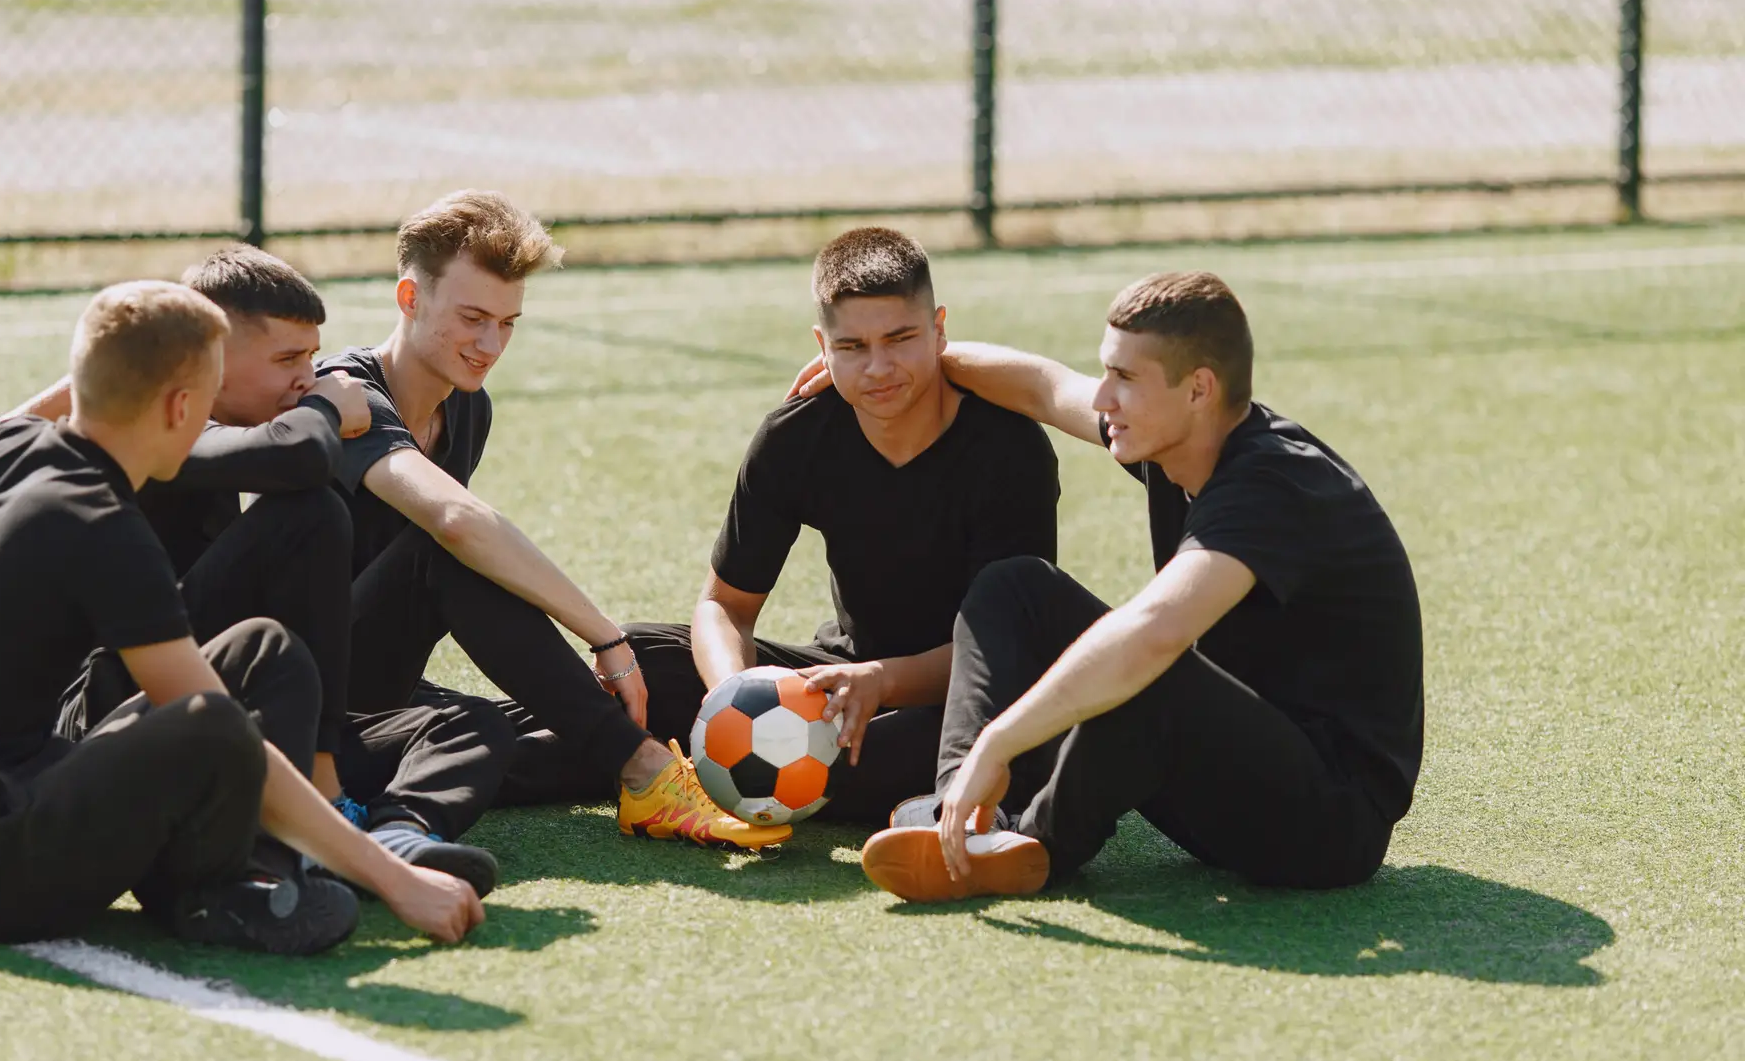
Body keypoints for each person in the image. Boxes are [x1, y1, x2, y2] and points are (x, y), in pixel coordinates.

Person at [0, 281, 483, 952]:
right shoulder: (99, 523)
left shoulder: (1, 449)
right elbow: (210, 724)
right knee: (213, 715)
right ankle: (216, 895)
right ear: (182, 406)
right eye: (212, 399)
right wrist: (396, 879)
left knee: (262, 651)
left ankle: (255, 872)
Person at [825, 271, 1422, 901]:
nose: (1103, 398)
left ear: (1199, 389)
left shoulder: (1274, 486)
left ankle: (1034, 847)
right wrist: (902, 370)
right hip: (1218, 781)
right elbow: (1042, 387)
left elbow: (1156, 631)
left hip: (1325, 826)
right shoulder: (1174, 436)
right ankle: (963, 818)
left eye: (1125, 380)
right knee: (1016, 587)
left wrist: (1000, 741)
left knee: (1146, 660)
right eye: (1107, 373)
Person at [318, 189, 785, 850]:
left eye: (508, 322)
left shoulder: (467, 408)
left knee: (656, 678)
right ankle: (645, 769)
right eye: (473, 317)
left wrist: (626, 654)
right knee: (444, 547)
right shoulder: (345, 397)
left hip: (383, 694)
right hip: (302, 696)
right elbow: (454, 521)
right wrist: (602, 636)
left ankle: (619, 758)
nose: (489, 344)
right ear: (409, 298)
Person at [620, 227, 1060, 824]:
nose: (879, 367)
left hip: (967, 692)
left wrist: (881, 682)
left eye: (901, 338)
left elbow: (1012, 644)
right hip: (846, 672)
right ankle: (654, 757)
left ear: (939, 329)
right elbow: (724, 607)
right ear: (821, 345)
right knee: (641, 656)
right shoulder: (797, 436)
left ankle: (695, 768)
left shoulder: (1009, 448)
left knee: (999, 743)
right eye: (852, 346)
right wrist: (735, 701)